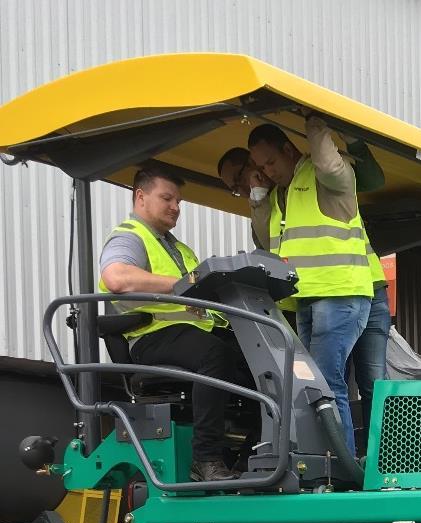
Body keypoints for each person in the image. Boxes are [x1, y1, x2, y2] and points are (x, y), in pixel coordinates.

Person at [247, 118, 378, 455]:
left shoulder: (326, 176)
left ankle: (342, 465)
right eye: (261, 166)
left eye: (272, 161)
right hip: (305, 300)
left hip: (340, 293)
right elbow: (264, 239)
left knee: (327, 382)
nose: (269, 171)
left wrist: (315, 126)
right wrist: (258, 194)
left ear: (289, 150)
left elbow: (330, 165)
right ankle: (324, 460)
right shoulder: (278, 195)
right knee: (312, 384)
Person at [98, 164, 237, 482]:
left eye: (179, 202)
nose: (175, 207)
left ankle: (252, 455)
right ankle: (206, 460)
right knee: (214, 355)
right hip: (153, 336)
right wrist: (180, 284)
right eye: (167, 198)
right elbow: (116, 277)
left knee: (260, 362)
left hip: (191, 334)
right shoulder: (129, 238)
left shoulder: (179, 248)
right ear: (141, 197)